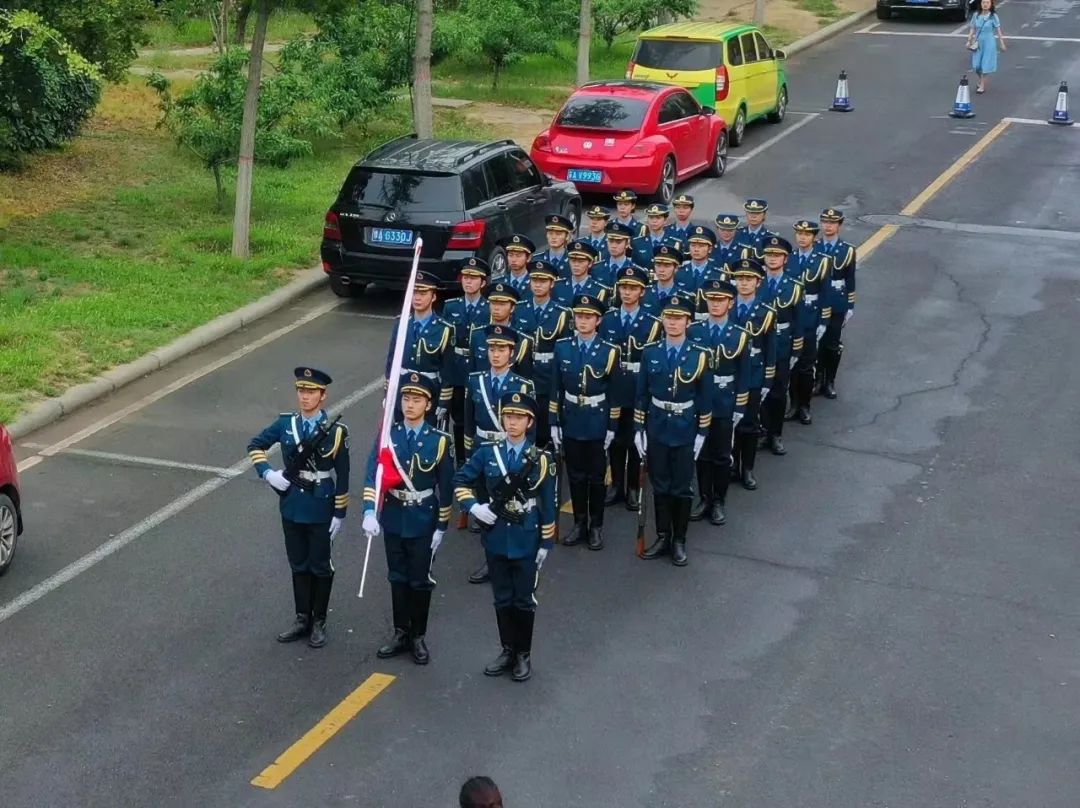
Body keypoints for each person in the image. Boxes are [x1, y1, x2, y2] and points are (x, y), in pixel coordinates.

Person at [454, 392, 557, 682]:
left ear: (530, 422)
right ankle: (507, 650)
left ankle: (523, 654)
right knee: (501, 598)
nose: (512, 422)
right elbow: (461, 479)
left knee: (524, 600)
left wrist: (546, 543)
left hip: (526, 535)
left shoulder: (542, 459)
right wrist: (474, 507)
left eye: (518, 417)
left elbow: (548, 502)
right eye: (508, 417)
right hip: (497, 534)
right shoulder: (488, 451)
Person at [247, 367, 350, 648]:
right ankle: (301, 616)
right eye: (301, 391)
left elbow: (343, 474)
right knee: (298, 563)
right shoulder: (285, 424)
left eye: (311, 392)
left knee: (320, 565)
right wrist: (268, 473)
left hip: (320, 504)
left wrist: (339, 513)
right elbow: (255, 446)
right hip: (292, 502)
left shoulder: (336, 432)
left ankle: (319, 620)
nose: (305, 397)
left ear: (323, 396)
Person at [361, 373, 453, 665]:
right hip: (393, 515)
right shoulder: (389, 434)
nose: (409, 405)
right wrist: (368, 511)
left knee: (419, 580)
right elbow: (371, 474)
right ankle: (401, 632)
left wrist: (441, 525)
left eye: (416, 400)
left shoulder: (439, 441)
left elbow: (446, 487)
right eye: (406, 399)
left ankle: (418, 635)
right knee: (397, 577)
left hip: (423, 518)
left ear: (428, 404)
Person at [635, 295, 711, 566]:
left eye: (678, 318)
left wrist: (702, 433)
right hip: (657, 426)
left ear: (688, 322)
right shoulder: (651, 352)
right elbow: (642, 393)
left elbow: (705, 398)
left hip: (684, 427)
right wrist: (638, 428)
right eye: (669, 317)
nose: (673, 323)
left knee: (681, 488)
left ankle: (679, 539)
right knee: (661, 484)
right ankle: (663, 534)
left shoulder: (700, 355)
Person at [550, 294, 620, 550]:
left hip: (597, 419)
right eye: (579, 316)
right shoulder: (563, 347)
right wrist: (554, 422)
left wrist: (612, 426)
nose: (582, 321)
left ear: (598, 320)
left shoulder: (610, 351)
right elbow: (555, 386)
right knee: (576, 476)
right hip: (571, 418)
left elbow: (614, 393)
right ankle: (579, 523)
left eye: (588, 317)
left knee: (596, 477)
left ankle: (596, 525)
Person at [688, 279, 751, 525]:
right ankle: (704, 497)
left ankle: (718, 500)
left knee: (722, 455)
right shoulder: (695, 330)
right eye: (712, 300)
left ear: (730, 303)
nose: (715, 304)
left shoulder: (740, 334)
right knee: (702, 453)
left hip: (725, 400)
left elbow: (744, 374)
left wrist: (740, 406)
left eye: (720, 300)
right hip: (699, 401)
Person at [600, 265, 660, 511]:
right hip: (614, 386)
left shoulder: (652, 322)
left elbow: (654, 359)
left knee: (636, 439)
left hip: (638, 386)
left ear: (642, 291)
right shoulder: (609, 319)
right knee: (615, 440)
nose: (627, 292)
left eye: (633, 288)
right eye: (623, 287)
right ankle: (616, 484)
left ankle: (633, 487)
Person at [729, 259, 776, 491]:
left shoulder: (765, 312)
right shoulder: (726, 307)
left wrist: (767, 380)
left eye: (749, 279)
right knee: (729, 423)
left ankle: (747, 468)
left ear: (758, 282)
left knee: (748, 424)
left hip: (754, 374)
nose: (744, 283)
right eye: (740, 279)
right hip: (729, 373)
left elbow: (770, 349)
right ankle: (731, 464)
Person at [442, 258, 490, 481]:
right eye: (466, 278)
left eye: (474, 278)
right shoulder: (451, 306)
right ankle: (461, 459)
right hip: (457, 371)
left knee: (479, 416)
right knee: (459, 418)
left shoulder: (489, 308)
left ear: (483, 282)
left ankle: (479, 459)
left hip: (479, 368)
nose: (468, 282)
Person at [384, 270, 454, 424]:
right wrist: (388, 394)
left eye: (423, 293)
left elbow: (448, 371)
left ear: (433, 296)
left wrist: (443, 402)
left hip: (429, 394)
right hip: (403, 391)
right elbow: (391, 362)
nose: (417, 297)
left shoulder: (444, 329)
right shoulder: (401, 323)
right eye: (414, 292)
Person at [519, 258, 571, 449]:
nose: (538, 285)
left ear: (551, 284)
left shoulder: (561, 313)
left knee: (546, 433)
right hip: (526, 373)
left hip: (549, 376)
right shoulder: (520, 309)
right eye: (534, 281)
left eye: (543, 281)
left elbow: (565, 348)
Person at [758, 236, 802, 457]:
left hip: (781, 344)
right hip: (758, 344)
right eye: (769, 255)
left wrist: (796, 349)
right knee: (758, 391)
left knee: (777, 392)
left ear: (785, 259)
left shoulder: (793, 286)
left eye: (777, 256)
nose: (772, 259)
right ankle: (763, 429)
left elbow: (798, 321)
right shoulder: (756, 282)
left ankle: (775, 433)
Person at [788, 220, 831, 426]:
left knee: (806, 366)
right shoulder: (788, 258)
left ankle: (804, 405)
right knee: (791, 365)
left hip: (810, 318)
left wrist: (823, 320)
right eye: (799, 234)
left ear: (814, 237)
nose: (802, 238)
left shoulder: (821, 260)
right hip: (792, 318)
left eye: (806, 234)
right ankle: (793, 403)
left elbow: (825, 293)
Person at [816, 207, 856, 399]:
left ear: (839, 225)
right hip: (817, 302)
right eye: (825, 222)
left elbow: (850, 279)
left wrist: (850, 306)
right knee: (817, 343)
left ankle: (829, 381)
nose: (828, 226)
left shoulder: (846, 250)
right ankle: (817, 379)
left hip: (836, 301)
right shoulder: (815, 247)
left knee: (832, 343)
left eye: (832, 223)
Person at [469, 282, 534, 380]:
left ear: (512, 308)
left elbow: (524, 379)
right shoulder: (477, 334)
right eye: (493, 303)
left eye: (502, 304)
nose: (496, 308)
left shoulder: (522, 340)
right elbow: (472, 372)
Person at [676, 225, 720, 321]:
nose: (696, 249)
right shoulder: (678, 272)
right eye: (693, 245)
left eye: (701, 246)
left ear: (710, 249)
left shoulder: (718, 274)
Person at [553, 240, 610, 308]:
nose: (576, 265)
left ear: (590, 264)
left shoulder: (599, 290)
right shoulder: (557, 287)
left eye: (581, 261)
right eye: (573, 261)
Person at [967, 0, 1006, 94]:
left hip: (989, 42)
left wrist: (1002, 43)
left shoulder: (993, 16)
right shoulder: (976, 15)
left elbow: (998, 30)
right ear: (980, 4)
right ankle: (981, 80)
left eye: (987, 2)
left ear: (991, 4)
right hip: (978, 41)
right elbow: (972, 28)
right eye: (983, 2)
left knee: (985, 64)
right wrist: (969, 40)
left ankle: (982, 85)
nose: (985, 4)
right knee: (976, 66)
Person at [642, 244, 690, 315]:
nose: (661, 270)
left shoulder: (683, 296)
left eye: (667, 266)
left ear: (676, 268)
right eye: (658, 265)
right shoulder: (644, 293)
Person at [591, 221, 637, 289]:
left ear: (627, 244)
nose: (613, 246)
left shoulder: (634, 270)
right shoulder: (596, 268)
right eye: (611, 241)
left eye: (618, 242)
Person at [533, 214, 574, 281]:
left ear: (567, 237)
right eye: (550, 233)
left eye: (558, 234)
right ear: (546, 235)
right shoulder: (536, 260)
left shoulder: (573, 260)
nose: (553, 237)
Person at [499, 233, 535, 297]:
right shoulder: (499, 283)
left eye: (518, 256)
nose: (514, 259)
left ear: (528, 258)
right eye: (510, 255)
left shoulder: (536, 284)